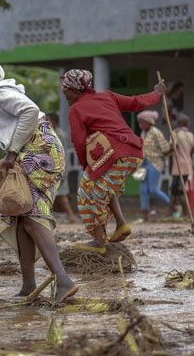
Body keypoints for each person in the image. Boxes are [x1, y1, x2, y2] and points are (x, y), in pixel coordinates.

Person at [0, 49, 77, 303]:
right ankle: (28, 287)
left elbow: (30, 112)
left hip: (41, 153)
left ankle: (64, 281)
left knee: (32, 218)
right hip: (31, 153)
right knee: (20, 219)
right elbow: (8, 135)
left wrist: (12, 153)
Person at [63, 69, 165, 253]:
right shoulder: (107, 96)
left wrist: (86, 167)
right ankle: (121, 224)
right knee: (105, 188)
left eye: (66, 92)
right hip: (133, 152)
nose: (65, 96)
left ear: (75, 90)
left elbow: (78, 142)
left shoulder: (75, 109)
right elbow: (136, 102)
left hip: (114, 154)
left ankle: (98, 241)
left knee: (87, 192)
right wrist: (156, 93)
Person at [136, 110, 172, 223]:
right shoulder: (143, 134)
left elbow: (166, 148)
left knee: (153, 190)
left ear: (148, 122)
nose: (140, 125)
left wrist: (171, 148)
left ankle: (172, 206)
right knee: (143, 190)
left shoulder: (156, 132)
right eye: (139, 123)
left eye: (142, 123)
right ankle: (145, 215)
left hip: (155, 163)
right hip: (143, 164)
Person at [45, 113, 78, 223]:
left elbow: (62, 154)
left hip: (59, 168)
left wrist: (62, 171)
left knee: (61, 195)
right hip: (51, 168)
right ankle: (49, 216)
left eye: (47, 119)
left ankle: (71, 216)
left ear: (53, 121)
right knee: (53, 194)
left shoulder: (59, 135)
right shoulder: (50, 133)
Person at [169, 114, 194, 219]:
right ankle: (176, 211)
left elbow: (173, 147)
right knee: (179, 189)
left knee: (177, 190)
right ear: (187, 124)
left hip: (178, 166)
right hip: (188, 165)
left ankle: (186, 212)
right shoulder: (190, 135)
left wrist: (164, 153)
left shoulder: (175, 134)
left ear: (178, 123)